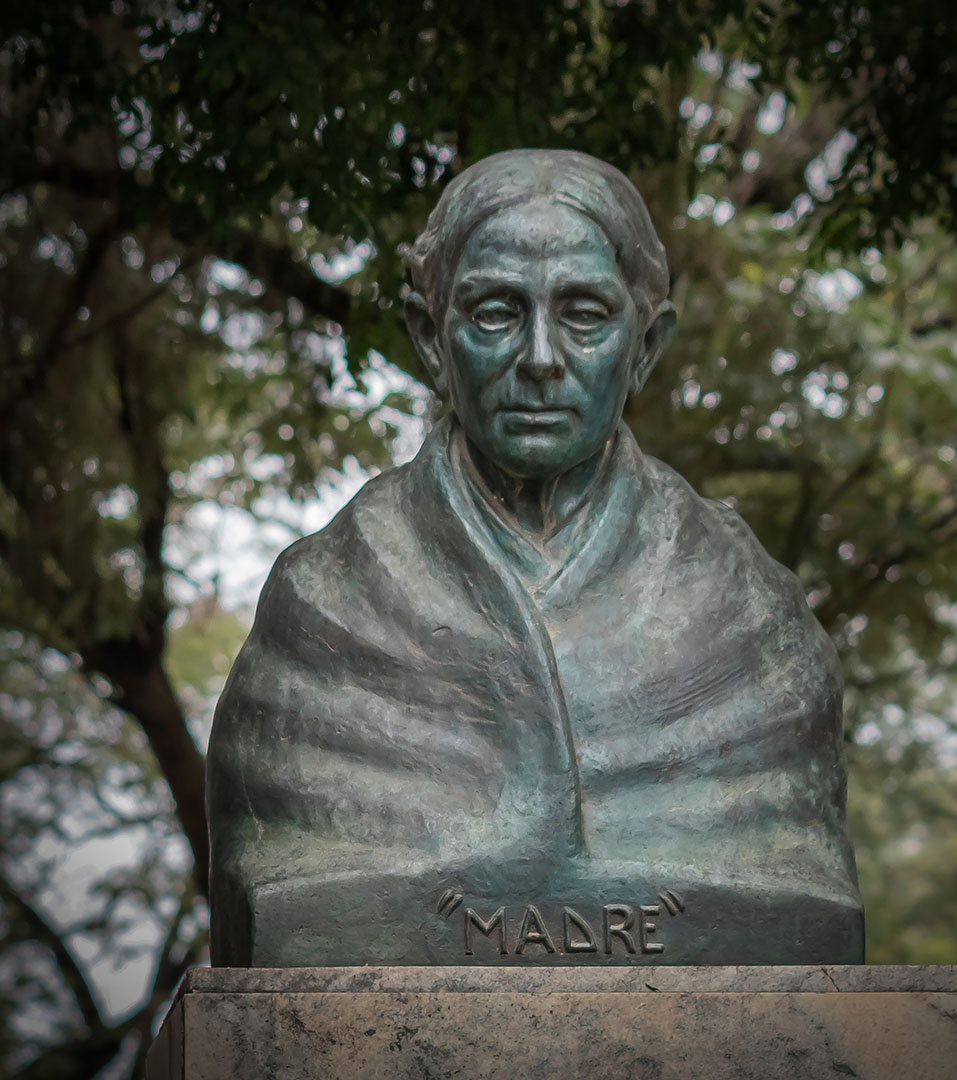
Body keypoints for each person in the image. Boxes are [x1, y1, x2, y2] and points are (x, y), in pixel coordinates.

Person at [207, 149, 864, 966]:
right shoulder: (325, 599)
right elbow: (271, 887)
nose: (543, 357)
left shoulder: (748, 609)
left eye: (586, 313)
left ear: (646, 347)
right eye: (494, 312)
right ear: (430, 339)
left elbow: (802, 889)